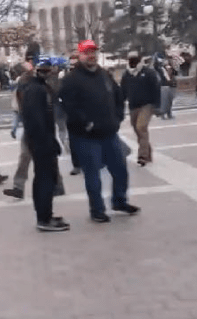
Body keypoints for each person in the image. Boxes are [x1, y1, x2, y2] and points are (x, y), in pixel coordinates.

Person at [58, 40, 140, 223]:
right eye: (87, 52)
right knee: (93, 175)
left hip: (109, 133)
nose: (91, 55)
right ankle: (97, 209)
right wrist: (86, 123)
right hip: (87, 137)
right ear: (79, 55)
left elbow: (118, 96)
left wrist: (117, 117)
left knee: (120, 170)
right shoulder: (71, 80)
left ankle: (119, 201)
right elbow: (69, 106)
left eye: (93, 52)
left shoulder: (104, 75)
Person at [4, 53, 66, 200]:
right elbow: (21, 97)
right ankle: (18, 187)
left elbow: (53, 95)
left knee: (49, 157)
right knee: (24, 156)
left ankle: (58, 185)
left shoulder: (49, 79)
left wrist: (51, 75)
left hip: (44, 125)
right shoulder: (26, 79)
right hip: (30, 124)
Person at [22, 57, 70, 232]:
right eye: (47, 70)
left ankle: (46, 214)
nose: (50, 73)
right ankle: (43, 218)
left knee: (46, 178)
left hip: (42, 140)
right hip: (41, 142)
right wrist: (47, 142)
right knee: (44, 179)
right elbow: (37, 120)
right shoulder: (36, 90)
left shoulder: (40, 88)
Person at [120, 50, 161, 167]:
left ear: (139, 59)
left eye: (135, 59)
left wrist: (157, 106)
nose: (132, 62)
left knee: (141, 127)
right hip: (133, 106)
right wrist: (119, 105)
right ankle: (148, 153)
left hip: (147, 105)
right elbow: (123, 92)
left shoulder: (148, 72)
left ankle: (142, 156)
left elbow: (156, 89)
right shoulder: (126, 74)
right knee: (138, 131)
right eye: (130, 59)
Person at [155, 53, 178, 120]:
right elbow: (156, 68)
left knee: (170, 100)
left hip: (172, 85)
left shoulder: (172, 67)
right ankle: (163, 114)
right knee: (164, 100)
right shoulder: (160, 68)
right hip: (164, 85)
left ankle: (169, 113)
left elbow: (175, 73)